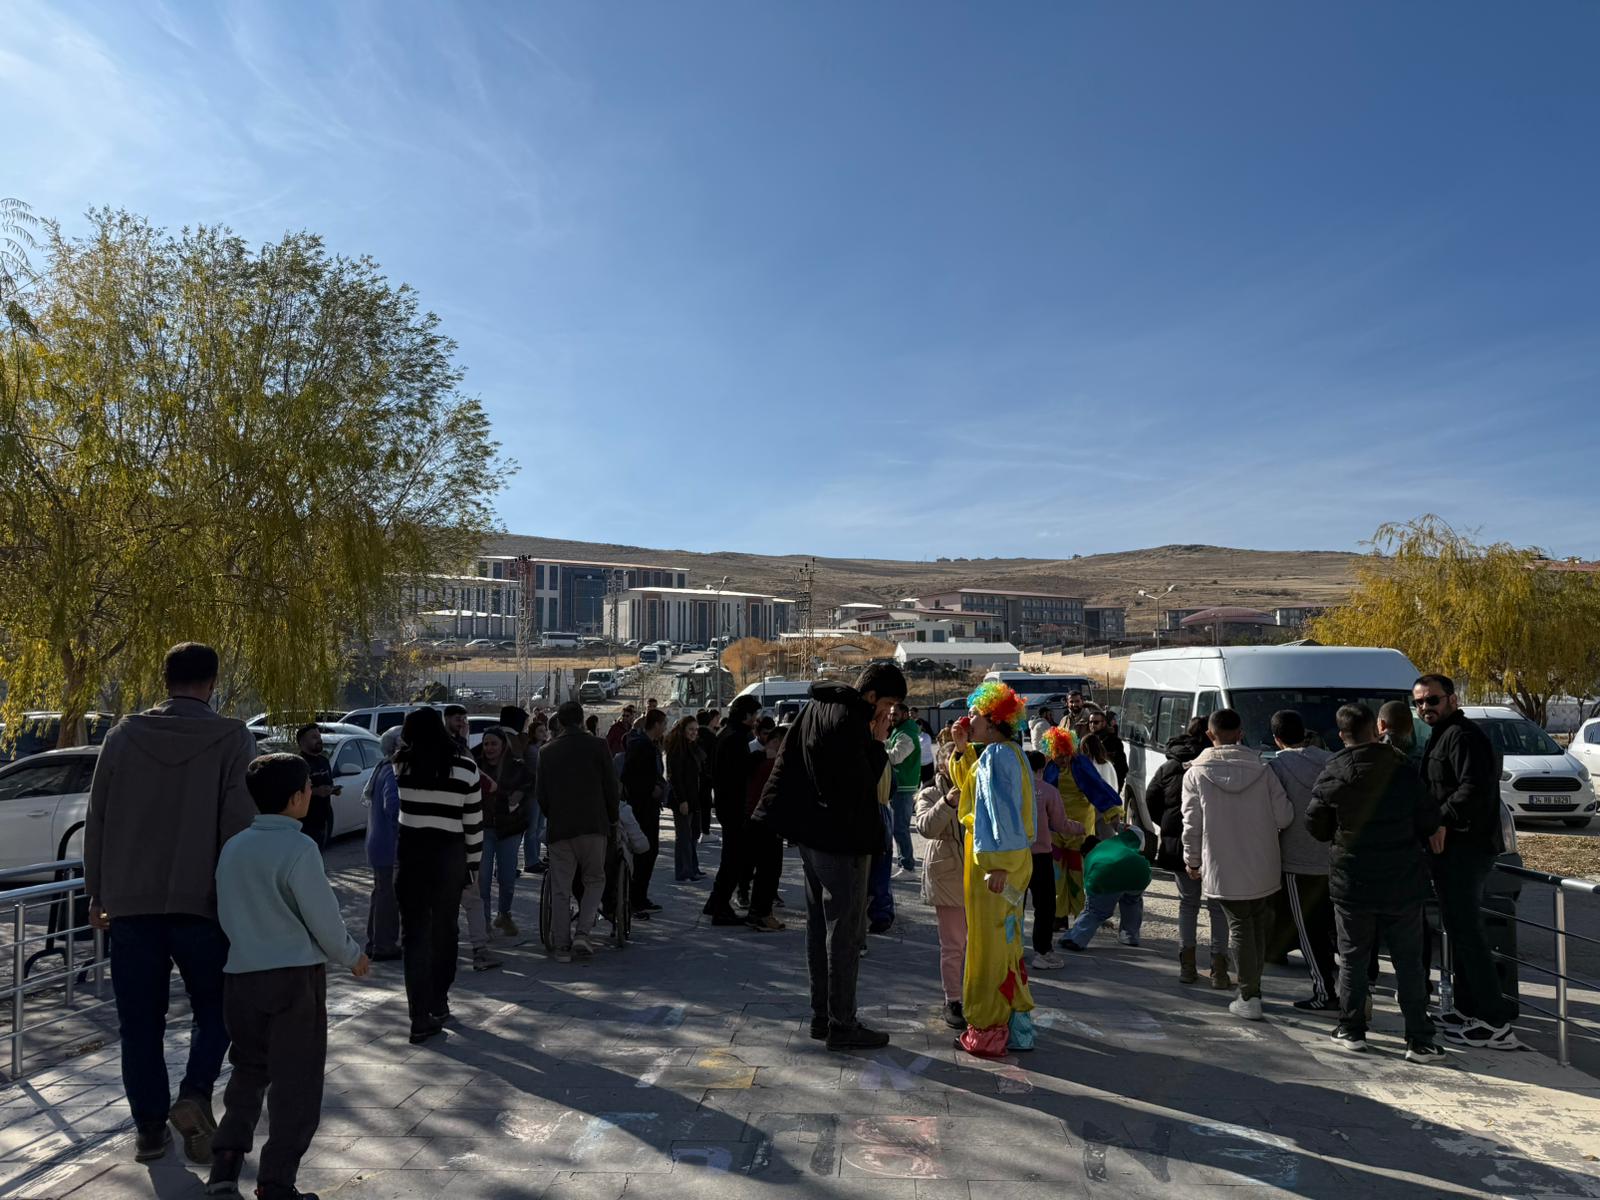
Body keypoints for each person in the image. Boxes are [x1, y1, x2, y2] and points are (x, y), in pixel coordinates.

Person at [84, 642, 257, 1165]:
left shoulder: (122, 737)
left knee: (139, 1025)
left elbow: (98, 819)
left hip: (130, 904)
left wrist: (97, 892)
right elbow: (239, 828)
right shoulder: (232, 738)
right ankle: (195, 1093)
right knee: (218, 1011)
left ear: (165, 680)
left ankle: (149, 1130)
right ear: (212, 682)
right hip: (203, 903)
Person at [207, 754, 370, 1199]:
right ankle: (276, 1181)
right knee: (296, 1082)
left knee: (247, 1071)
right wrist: (351, 955)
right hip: (294, 979)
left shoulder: (234, 847)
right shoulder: (300, 849)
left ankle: (224, 1166)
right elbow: (323, 917)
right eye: (308, 788)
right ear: (297, 797)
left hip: (241, 976)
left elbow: (223, 909)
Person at [752, 663, 906, 1050]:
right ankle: (842, 1022)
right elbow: (858, 786)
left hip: (811, 834)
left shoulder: (818, 706)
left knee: (819, 927)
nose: (889, 714)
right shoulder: (849, 720)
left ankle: (822, 1015)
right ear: (871, 696)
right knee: (845, 933)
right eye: (888, 705)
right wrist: (878, 742)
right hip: (841, 840)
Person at [1307, 703, 1444, 1062]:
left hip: (1353, 881)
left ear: (1342, 735)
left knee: (1353, 958)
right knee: (1409, 962)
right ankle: (1419, 1038)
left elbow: (1316, 824)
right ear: (1376, 728)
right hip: (1403, 879)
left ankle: (1352, 1029)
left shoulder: (1335, 769)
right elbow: (1429, 818)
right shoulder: (1403, 768)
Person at [1414, 673, 1520, 1050]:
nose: (1425, 707)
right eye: (1419, 702)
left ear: (1452, 699)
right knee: (1458, 932)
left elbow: (1473, 788)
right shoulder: (1443, 734)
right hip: (1450, 851)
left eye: (1432, 700)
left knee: (1469, 934)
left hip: (1466, 849)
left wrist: (1442, 819)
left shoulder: (1463, 736)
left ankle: (1494, 1022)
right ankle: (1467, 1009)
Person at [1180, 708, 1292, 1021]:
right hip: (1263, 862)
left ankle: (1249, 995)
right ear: (1241, 733)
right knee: (1256, 926)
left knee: (1241, 927)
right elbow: (1284, 816)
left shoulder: (1195, 774)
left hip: (1221, 863)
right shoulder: (1263, 769)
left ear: (1209, 734)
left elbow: (1192, 824)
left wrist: (1192, 860)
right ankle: (1253, 989)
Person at [948, 682, 1036, 1057]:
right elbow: (973, 793)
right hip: (1005, 866)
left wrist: (997, 865)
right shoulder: (1005, 753)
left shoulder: (997, 757)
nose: (969, 721)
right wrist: (961, 749)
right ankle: (1017, 1027)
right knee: (1007, 943)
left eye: (975, 715)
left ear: (992, 719)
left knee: (989, 948)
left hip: (995, 869)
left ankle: (987, 1029)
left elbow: (1001, 816)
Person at [394, 706, 482, 1044]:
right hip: (449, 855)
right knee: (445, 929)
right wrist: (472, 866)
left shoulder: (400, 765)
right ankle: (439, 999)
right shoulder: (466, 767)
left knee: (414, 935)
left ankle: (418, 1015)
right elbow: (473, 823)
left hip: (411, 854)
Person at [1145, 717, 1231, 988]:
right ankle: (1219, 969)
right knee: (1217, 907)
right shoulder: (1218, 765)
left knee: (1187, 904)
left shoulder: (1169, 766)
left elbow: (1151, 798)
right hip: (1216, 842)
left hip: (1178, 843)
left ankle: (1188, 965)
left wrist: (1168, 825)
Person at [536, 701, 621, 962]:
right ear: (582, 720)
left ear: (560, 722)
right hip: (593, 824)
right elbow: (611, 787)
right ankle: (583, 932)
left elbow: (541, 795)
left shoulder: (547, 751)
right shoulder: (598, 746)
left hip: (561, 828)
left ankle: (561, 943)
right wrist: (613, 819)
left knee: (561, 888)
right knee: (594, 879)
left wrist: (555, 815)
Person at [1265, 710, 1337, 1011]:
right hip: (1335, 854)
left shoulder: (1275, 767)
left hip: (1297, 858)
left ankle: (1324, 992)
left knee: (1308, 930)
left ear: (1276, 738)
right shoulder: (1332, 760)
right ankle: (1355, 988)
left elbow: (1275, 813)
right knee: (1338, 927)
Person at [1037, 726, 1122, 938]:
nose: (1063, 760)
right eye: (1059, 756)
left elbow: (1097, 787)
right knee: (1056, 873)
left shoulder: (1081, 763)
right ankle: (1059, 915)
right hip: (1054, 827)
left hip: (1080, 827)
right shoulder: (1048, 767)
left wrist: (1113, 814)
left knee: (1078, 872)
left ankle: (1081, 916)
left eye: (1066, 755)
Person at [913, 743, 967, 1029]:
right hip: (947, 874)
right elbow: (925, 827)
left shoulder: (978, 787)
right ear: (942, 765)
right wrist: (947, 802)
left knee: (980, 942)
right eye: (953, 759)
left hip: (978, 873)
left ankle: (979, 994)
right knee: (954, 944)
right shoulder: (930, 793)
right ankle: (953, 999)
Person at [705, 696, 763, 925]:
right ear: (746, 715)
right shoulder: (735, 738)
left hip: (727, 804)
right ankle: (720, 908)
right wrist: (761, 756)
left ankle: (715, 902)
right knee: (734, 860)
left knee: (731, 858)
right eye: (754, 715)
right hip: (734, 806)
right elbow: (738, 771)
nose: (756, 719)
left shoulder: (726, 734)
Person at [1024, 750, 1083, 969]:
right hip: (1041, 855)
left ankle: (1011, 951)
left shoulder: (1013, 788)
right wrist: (1080, 828)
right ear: (1042, 768)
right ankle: (1042, 952)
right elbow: (1060, 824)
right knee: (1045, 905)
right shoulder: (1048, 791)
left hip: (1015, 855)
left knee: (1014, 906)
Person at [474, 727, 531, 937]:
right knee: (483, 879)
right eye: (486, 744)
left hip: (510, 829)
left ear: (503, 746)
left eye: (494, 744)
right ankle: (484, 922)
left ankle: (504, 915)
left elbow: (528, 787)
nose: (489, 748)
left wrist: (516, 796)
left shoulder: (517, 767)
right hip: (483, 829)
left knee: (507, 879)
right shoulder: (476, 767)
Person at [1060, 829, 1153, 951]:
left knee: (1095, 911)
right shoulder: (1119, 845)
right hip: (1140, 873)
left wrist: (1094, 903)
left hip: (1106, 874)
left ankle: (1075, 939)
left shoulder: (1094, 854)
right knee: (1132, 902)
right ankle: (1130, 936)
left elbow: (1090, 886)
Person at [621, 707, 668, 916]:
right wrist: (652, 789)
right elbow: (632, 776)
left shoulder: (647, 745)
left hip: (647, 805)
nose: (665, 728)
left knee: (648, 852)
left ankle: (639, 896)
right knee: (645, 852)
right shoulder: (643, 746)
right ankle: (636, 899)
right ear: (656, 725)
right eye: (664, 724)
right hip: (643, 807)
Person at [363, 727, 404, 961]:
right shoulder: (391, 770)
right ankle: (384, 944)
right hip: (389, 845)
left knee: (380, 894)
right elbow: (393, 805)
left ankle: (375, 941)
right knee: (387, 897)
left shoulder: (382, 767)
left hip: (378, 843)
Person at [744, 724, 787, 931]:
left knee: (765, 870)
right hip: (767, 822)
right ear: (776, 742)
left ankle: (758, 912)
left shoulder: (759, 759)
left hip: (758, 819)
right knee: (769, 871)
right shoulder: (770, 764)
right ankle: (762, 914)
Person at [664, 716, 705, 881]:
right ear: (683, 730)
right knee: (683, 836)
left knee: (693, 834)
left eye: (696, 730)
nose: (694, 733)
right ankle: (684, 871)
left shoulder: (692, 747)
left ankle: (692, 867)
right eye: (691, 729)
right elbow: (675, 777)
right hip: (682, 799)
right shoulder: (677, 749)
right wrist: (682, 800)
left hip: (694, 798)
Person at [885, 701, 922, 875]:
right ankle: (903, 863)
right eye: (891, 714)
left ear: (905, 714)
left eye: (895, 714)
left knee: (900, 828)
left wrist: (877, 750)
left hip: (903, 787)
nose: (891, 717)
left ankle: (907, 866)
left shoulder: (906, 734)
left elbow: (896, 757)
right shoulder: (899, 731)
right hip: (899, 786)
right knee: (897, 828)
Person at [295, 723, 335, 852]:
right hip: (305, 823)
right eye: (314, 737)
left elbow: (329, 783)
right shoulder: (298, 764)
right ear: (302, 742)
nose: (319, 740)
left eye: (319, 736)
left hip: (323, 820)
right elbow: (294, 792)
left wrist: (332, 790)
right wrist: (316, 792)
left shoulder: (324, 761)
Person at [1087, 710, 1129, 790]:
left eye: (1096, 722)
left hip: (1108, 787)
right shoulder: (1087, 741)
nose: (1092, 725)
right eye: (1090, 722)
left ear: (1103, 723)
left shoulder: (1114, 741)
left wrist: (1116, 786)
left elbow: (1122, 767)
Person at [917, 720, 936, 786]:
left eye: (917, 726)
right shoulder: (914, 736)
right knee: (916, 786)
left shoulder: (926, 736)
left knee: (927, 785)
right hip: (918, 765)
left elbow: (919, 747)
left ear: (921, 726)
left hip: (927, 764)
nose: (916, 728)